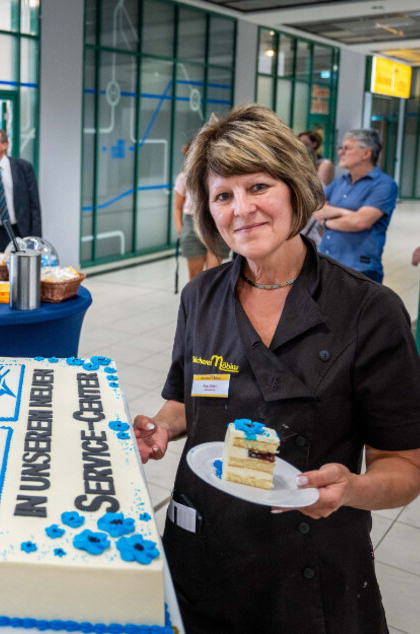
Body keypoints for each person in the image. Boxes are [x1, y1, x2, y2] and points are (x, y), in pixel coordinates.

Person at [134, 104, 420, 633]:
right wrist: (160, 427)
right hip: (203, 547)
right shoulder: (200, 296)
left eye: (259, 186)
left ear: (296, 188)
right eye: (223, 195)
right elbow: (185, 400)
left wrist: (351, 489)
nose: (241, 209)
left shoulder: (368, 309)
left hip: (309, 568)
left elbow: (404, 467)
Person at [312, 128, 398, 283]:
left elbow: (361, 222)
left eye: (347, 148)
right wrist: (346, 213)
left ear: (366, 153)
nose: (340, 153)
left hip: (361, 270)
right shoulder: (339, 182)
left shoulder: (384, 185)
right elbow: (317, 210)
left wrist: (327, 222)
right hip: (327, 263)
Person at [0, 128, 41, 252]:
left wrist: (36, 239)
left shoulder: (23, 168)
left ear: (4, 145)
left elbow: (34, 205)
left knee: (20, 270)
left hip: (19, 231)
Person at [173, 144, 228, 280]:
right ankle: (196, 302)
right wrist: (181, 229)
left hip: (214, 222)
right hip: (191, 223)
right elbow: (177, 207)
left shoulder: (217, 175)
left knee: (213, 274)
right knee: (195, 277)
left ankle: (211, 301)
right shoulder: (184, 177)